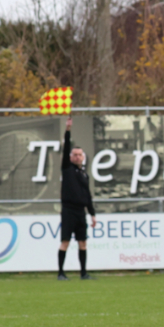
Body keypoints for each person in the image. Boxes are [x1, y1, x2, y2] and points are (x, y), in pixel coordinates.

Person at [58, 117, 97, 280]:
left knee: (83, 243)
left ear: (83, 157)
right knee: (65, 242)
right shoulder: (67, 169)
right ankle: (61, 273)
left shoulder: (84, 174)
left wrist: (92, 214)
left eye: (80, 155)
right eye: (74, 154)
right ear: (70, 157)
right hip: (68, 211)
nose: (77, 157)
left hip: (81, 213)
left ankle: (83, 273)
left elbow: (87, 195)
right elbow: (66, 147)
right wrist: (67, 130)